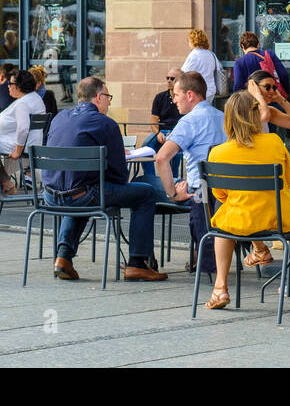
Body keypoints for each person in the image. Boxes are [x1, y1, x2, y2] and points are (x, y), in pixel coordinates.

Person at [42, 76, 168, 282]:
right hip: (81, 196)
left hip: (50, 196)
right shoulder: (105, 123)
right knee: (146, 193)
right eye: (108, 97)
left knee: (80, 189)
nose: (109, 102)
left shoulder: (59, 117)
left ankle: (63, 257)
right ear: (99, 97)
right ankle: (137, 263)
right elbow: (120, 177)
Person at [201, 91, 290, 310]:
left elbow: (220, 195)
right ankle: (260, 249)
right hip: (278, 218)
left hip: (242, 220)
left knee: (223, 222)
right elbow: (287, 181)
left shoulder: (217, 153)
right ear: (256, 115)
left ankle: (220, 287)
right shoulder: (275, 141)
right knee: (239, 212)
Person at [152, 71, 228, 272]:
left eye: (176, 95)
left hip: (201, 192)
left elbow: (161, 158)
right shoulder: (225, 117)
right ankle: (204, 257)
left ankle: (143, 260)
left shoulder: (189, 121)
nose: (174, 100)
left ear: (190, 95)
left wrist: (173, 193)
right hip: (229, 191)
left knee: (146, 190)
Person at [0, 68, 45, 191]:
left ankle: (4, 182)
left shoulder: (23, 103)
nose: (8, 87)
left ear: (19, 86)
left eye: (10, 84)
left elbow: (23, 128)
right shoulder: (36, 98)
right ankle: (4, 182)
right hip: (31, 143)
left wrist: (18, 150)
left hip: (22, 146)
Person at [181, 28, 224, 100]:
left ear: (193, 41)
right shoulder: (211, 54)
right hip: (211, 90)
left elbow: (184, 73)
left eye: (189, 41)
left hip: (199, 91)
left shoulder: (194, 54)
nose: (188, 43)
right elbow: (219, 68)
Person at [149, 69, 183, 144]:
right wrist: (158, 133)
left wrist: (174, 134)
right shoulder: (160, 97)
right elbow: (153, 120)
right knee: (146, 145)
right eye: (167, 78)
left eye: (172, 78)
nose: (169, 80)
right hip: (161, 132)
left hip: (179, 133)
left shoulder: (185, 97)